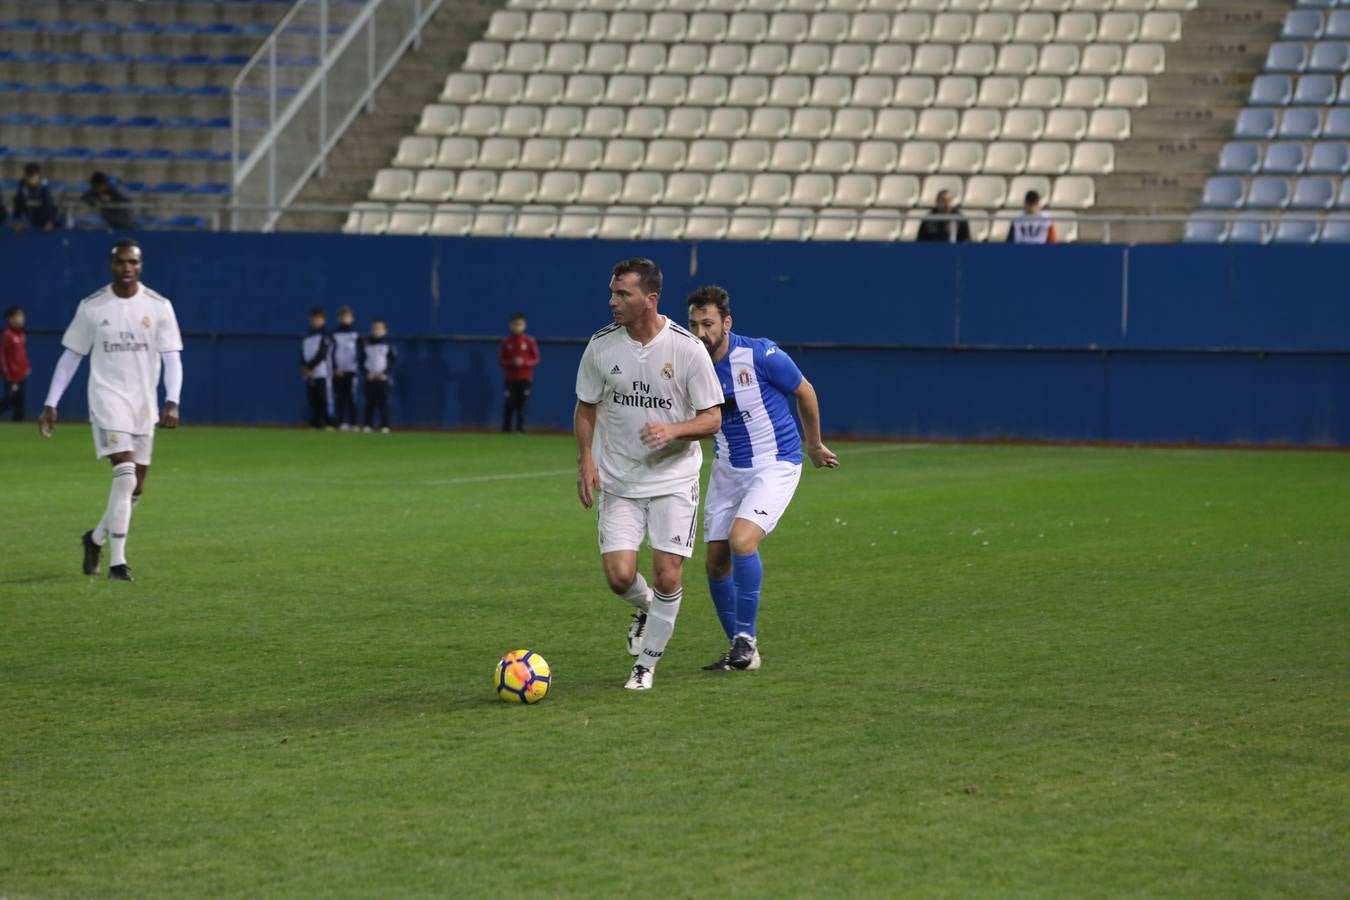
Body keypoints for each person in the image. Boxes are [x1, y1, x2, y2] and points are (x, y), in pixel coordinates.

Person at [574, 258, 723, 691]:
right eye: (613, 292)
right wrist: (586, 459)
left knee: (667, 576)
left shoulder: (686, 349)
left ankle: (646, 665)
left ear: (650, 298)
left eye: (623, 294)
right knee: (620, 577)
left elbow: (712, 418)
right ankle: (648, 609)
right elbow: (585, 406)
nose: (613, 301)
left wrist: (674, 430)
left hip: (674, 480)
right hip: (619, 481)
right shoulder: (601, 346)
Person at [686, 286, 839, 672]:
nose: (701, 332)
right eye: (694, 324)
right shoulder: (691, 362)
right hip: (727, 468)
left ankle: (746, 638)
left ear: (726, 322)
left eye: (708, 323)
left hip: (776, 463)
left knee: (742, 540)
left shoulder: (760, 354)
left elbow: (805, 392)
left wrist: (815, 446)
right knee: (715, 564)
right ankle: (741, 653)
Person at [37, 239, 184, 582]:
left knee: (136, 487)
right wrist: (51, 402)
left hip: (144, 404)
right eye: (121, 262)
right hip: (107, 400)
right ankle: (118, 563)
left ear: (141, 265)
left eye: (133, 262)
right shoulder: (92, 307)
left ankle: (94, 538)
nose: (127, 268)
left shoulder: (159, 306)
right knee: (126, 473)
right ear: (111, 265)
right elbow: (71, 356)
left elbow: (172, 357)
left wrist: (172, 400)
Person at [498, 312, 540, 433]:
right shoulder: (506, 342)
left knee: (523, 404)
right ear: (510, 325)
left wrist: (525, 363)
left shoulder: (529, 341)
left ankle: (521, 428)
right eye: (514, 324)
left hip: (525, 378)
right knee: (509, 402)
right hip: (510, 378)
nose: (517, 327)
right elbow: (501, 360)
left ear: (524, 325)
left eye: (519, 324)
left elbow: (536, 359)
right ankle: (506, 429)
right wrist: (511, 362)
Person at [300, 307, 333, 429]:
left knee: (323, 398)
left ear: (323, 320)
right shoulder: (307, 337)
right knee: (312, 399)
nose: (315, 321)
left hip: (322, 373)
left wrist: (310, 367)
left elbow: (322, 354)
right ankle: (314, 423)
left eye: (318, 319)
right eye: (313, 319)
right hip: (309, 374)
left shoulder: (325, 335)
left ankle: (326, 423)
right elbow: (302, 354)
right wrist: (303, 367)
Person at [361, 318, 395, 433]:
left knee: (383, 404)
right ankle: (367, 425)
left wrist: (383, 373)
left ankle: (384, 426)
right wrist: (367, 373)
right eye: (375, 328)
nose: (377, 331)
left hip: (382, 380)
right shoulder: (366, 345)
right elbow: (362, 361)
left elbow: (392, 362)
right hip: (370, 379)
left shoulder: (387, 346)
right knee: (369, 403)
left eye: (379, 328)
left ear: (385, 330)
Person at [331, 304, 360, 431]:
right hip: (338, 372)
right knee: (339, 397)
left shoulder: (355, 334)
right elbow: (331, 353)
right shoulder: (334, 334)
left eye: (347, 317)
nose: (345, 319)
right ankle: (341, 422)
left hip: (352, 371)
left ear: (352, 318)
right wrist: (336, 368)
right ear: (338, 318)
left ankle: (353, 423)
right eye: (342, 317)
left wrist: (356, 365)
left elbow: (360, 352)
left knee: (351, 397)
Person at [1, 306, 31, 421]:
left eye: (22, 316)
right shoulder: (7, 335)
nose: (22, 319)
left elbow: (23, 353)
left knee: (20, 401)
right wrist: (7, 373)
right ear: (11, 318)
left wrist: (27, 366)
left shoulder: (21, 334)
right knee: (10, 399)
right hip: (11, 376)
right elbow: (3, 356)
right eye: (18, 316)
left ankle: (18, 425)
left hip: (21, 375)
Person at [12, 163, 60, 231]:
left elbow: (48, 205)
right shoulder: (22, 185)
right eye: (29, 176)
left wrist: (49, 221)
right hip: (31, 216)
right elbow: (18, 204)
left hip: (45, 217)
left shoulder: (44, 186)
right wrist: (17, 220)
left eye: (34, 176)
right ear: (26, 176)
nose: (32, 179)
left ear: (38, 175)